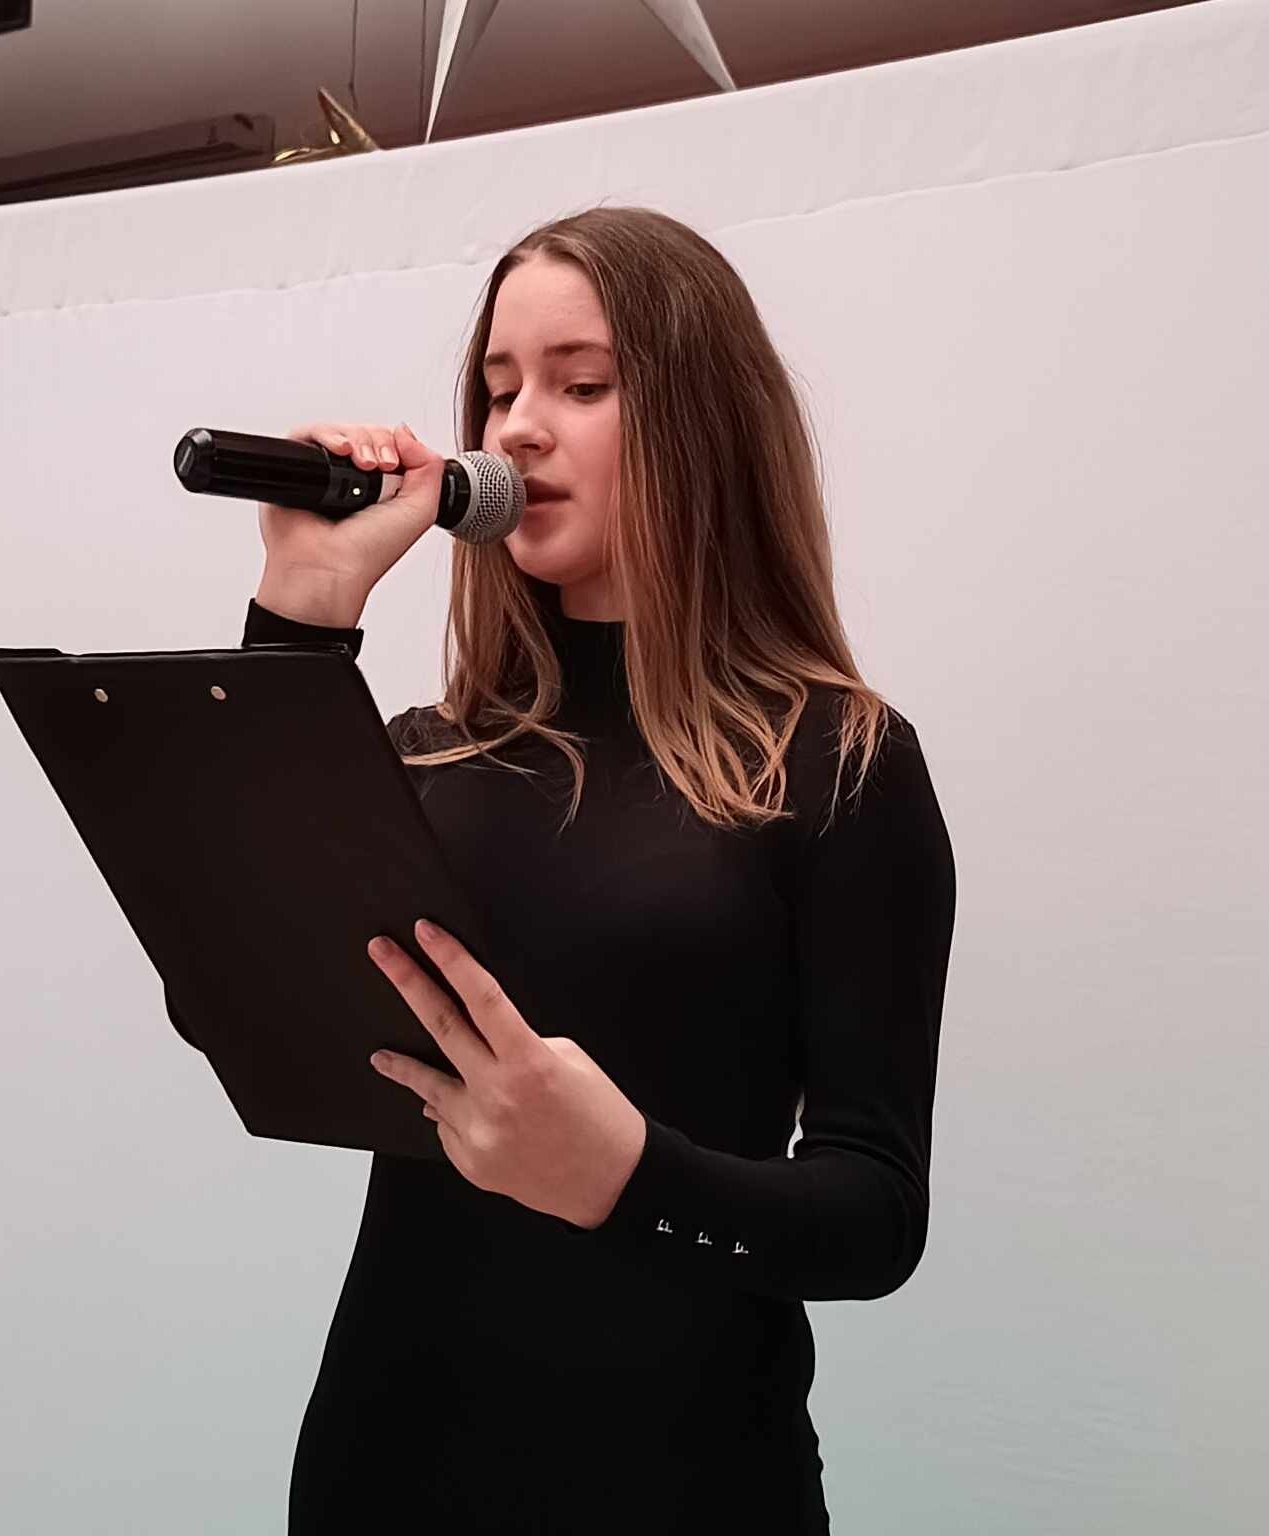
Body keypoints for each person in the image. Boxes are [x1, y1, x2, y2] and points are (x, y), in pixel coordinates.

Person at [172, 205, 958, 1533]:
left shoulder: (838, 763)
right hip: (385, 1477)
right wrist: (300, 614)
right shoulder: (424, 758)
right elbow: (226, 1001)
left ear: (704, 422)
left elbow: (874, 1216)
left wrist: (628, 1178)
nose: (520, 428)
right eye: (499, 390)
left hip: (686, 1491)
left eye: (581, 385)